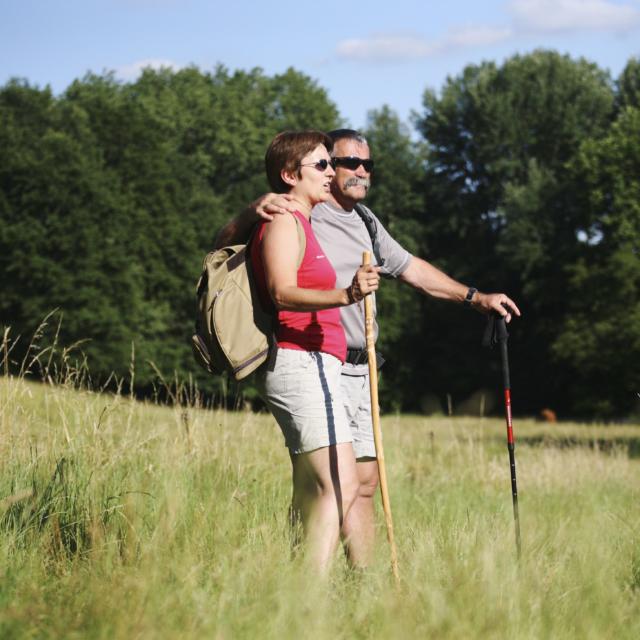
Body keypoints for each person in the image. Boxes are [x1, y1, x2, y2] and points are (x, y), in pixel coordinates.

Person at [215, 129, 521, 569]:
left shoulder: (365, 220)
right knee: (329, 484)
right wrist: (249, 212)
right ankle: (302, 592)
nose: (360, 171)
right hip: (310, 360)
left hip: (358, 364)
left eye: (368, 165)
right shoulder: (295, 210)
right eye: (343, 163)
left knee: (361, 481)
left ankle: (363, 585)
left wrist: (475, 298)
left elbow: (411, 269)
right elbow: (229, 248)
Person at [249, 130, 381, 574]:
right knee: (339, 485)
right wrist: (347, 295)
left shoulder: (303, 220)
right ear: (289, 175)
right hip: (299, 361)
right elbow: (282, 291)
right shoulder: (284, 222)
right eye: (321, 165)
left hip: (317, 363)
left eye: (331, 164)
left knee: (313, 488)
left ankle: (298, 598)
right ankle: (308, 602)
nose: (332, 173)